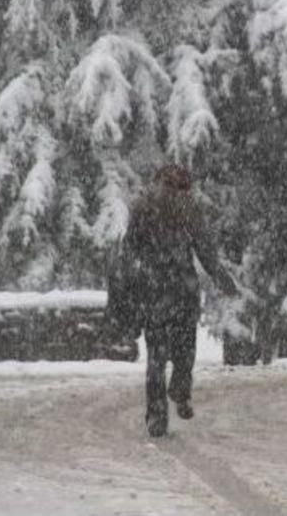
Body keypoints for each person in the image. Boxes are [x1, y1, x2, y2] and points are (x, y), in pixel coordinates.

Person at [108, 164, 239, 437]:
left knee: (156, 358)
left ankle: (157, 416)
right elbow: (204, 250)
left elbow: (129, 252)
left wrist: (130, 287)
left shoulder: (143, 209)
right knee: (185, 350)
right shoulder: (187, 209)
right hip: (181, 290)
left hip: (155, 292)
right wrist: (221, 278)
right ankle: (180, 390)